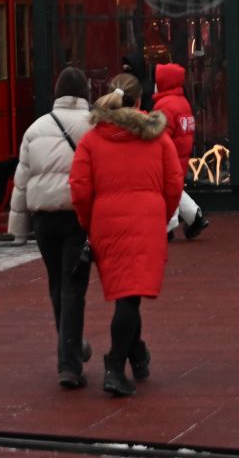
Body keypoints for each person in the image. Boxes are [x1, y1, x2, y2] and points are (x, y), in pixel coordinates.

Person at [70, 72, 184, 396]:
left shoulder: (92, 140)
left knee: (126, 293)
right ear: (138, 102)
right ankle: (115, 364)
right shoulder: (157, 138)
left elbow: (79, 188)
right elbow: (174, 183)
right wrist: (162, 214)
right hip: (146, 221)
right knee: (130, 297)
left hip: (106, 223)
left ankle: (137, 354)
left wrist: (89, 221)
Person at [7, 67, 96, 388]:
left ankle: (71, 346)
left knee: (57, 285)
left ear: (57, 92)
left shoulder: (35, 129)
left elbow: (22, 182)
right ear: (85, 92)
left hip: (44, 220)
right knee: (73, 288)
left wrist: (18, 229)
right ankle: (69, 364)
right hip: (78, 217)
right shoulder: (95, 128)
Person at [152, 62, 211, 240]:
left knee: (166, 189)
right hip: (181, 155)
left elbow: (159, 134)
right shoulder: (182, 102)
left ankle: (166, 226)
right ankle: (195, 216)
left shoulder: (164, 105)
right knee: (175, 188)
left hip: (169, 156)